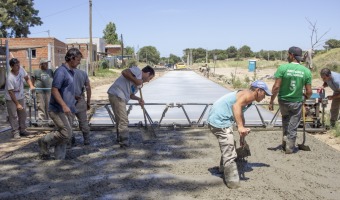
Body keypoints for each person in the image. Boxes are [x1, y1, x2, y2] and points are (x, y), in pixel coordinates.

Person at [207, 80, 272, 189]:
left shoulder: (247, 96)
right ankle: (233, 182)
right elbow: (236, 106)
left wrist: (242, 135)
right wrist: (240, 127)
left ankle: (223, 169)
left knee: (230, 143)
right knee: (229, 148)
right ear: (258, 90)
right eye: (264, 93)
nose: (264, 97)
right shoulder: (247, 95)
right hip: (219, 121)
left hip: (219, 119)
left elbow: (240, 113)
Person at [38, 48, 83, 160]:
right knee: (66, 133)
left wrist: (73, 97)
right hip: (58, 109)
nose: (79, 62)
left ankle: (59, 158)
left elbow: (65, 89)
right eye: (78, 60)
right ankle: (44, 141)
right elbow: (54, 90)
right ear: (71, 59)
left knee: (66, 135)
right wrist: (63, 105)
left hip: (69, 109)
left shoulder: (71, 72)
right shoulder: (61, 72)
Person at [269, 46, 312, 154]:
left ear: (292, 55)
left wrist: (271, 101)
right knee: (293, 125)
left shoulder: (282, 68)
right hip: (296, 102)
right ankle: (289, 147)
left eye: (288, 54)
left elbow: (276, 87)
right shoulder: (306, 71)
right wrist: (305, 98)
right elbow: (309, 91)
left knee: (285, 121)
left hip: (283, 101)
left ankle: (284, 143)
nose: (288, 56)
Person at [107, 65, 155, 147]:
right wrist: (136, 80)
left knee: (120, 120)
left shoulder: (139, 84)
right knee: (124, 120)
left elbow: (131, 95)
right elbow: (124, 72)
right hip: (117, 93)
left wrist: (139, 99)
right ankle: (124, 142)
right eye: (150, 78)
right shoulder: (137, 71)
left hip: (121, 96)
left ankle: (120, 139)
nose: (149, 81)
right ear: (148, 73)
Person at [5, 58, 35, 139]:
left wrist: (31, 85)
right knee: (13, 115)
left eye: (19, 64)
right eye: (16, 65)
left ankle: (22, 130)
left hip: (20, 96)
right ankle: (15, 132)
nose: (18, 66)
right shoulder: (10, 78)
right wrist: (17, 104)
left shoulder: (21, 69)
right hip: (11, 99)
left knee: (23, 114)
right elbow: (11, 92)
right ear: (12, 66)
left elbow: (27, 78)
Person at [72, 68, 92, 145]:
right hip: (80, 100)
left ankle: (69, 141)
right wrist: (88, 102)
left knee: (68, 123)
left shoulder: (64, 72)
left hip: (68, 101)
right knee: (83, 121)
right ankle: (87, 140)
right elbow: (88, 88)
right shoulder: (83, 73)